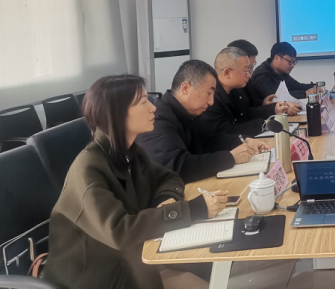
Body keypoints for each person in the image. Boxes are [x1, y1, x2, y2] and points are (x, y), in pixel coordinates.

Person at [44, 75, 228, 289]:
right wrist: (193, 209)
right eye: (143, 102)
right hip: (98, 278)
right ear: (117, 114)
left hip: (132, 262)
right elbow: (120, 232)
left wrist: (166, 200)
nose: (153, 108)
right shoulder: (89, 170)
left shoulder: (130, 152)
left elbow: (169, 177)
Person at [137, 60, 269, 183]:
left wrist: (244, 140)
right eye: (208, 93)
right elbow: (178, 167)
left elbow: (210, 139)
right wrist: (231, 158)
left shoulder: (189, 112)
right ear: (185, 88)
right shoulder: (158, 119)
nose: (211, 102)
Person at [197, 46, 301, 146]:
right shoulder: (211, 99)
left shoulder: (236, 89)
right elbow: (226, 131)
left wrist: (274, 108)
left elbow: (246, 114)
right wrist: (264, 124)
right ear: (227, 73)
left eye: (250, 69)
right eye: (246, 70)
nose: (249, 74)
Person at [248, 41, 316, 100]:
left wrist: (314, 86)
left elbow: (297, 86)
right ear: (277, 58)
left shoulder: (282, 72)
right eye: (290, 61)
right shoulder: (261, 74)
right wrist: (305, 94)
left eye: (294, 62)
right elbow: (275, 96)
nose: (292, 65)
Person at [227, 39, 271, 107]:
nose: (252, 71)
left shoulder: (248, 82)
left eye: (252, 66)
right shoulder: (220, 93)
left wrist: (263, 103)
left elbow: (252, 103)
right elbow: (245, 113)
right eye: (248, 67)